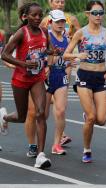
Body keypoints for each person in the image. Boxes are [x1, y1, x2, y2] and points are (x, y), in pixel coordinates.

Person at [1, 2, 53, 169]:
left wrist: (54, 52)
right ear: (26, 17)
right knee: (22, 116)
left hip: (37, 78)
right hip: (20, 80)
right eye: (34, 15)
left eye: (40, 15)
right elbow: (4, 55)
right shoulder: (21, 33)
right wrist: (23, 64)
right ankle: (4, 118)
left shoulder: (45, 32)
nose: (38, 18)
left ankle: (41, 155)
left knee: (40, 113)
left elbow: (47, 49)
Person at [64, 0, 106, 163]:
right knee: (92, 117)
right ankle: (87, 150)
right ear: (88, 14)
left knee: (101, 120)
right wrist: (77, 56)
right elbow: (66, 54)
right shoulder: (81, 33)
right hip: (84, 76)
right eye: (95, 13)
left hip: (100, 78)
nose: (98, 16)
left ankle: (88, 115)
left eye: (101, 13)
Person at [45, 9, 71, 155]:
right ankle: (36, 144)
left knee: (61, 111)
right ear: (50, 22)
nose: (61, 24)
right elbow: (42, 56)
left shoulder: (67, 39)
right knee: (43, 115)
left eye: (62, 21)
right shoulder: (46, 37)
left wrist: (70, 62)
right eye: (57, 22)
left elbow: (68, 59)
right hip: (47, 77)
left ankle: (56, 144)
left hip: (60, 75)